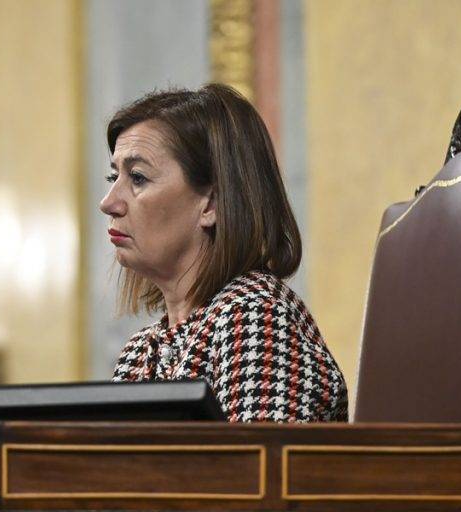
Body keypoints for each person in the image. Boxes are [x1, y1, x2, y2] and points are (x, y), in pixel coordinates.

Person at [100, 84, 347, 422]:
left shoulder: (256, 319)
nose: (108, 203)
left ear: (212, 204)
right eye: (113, 176)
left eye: (138, 178)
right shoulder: (140, 352)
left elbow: (259, 457)